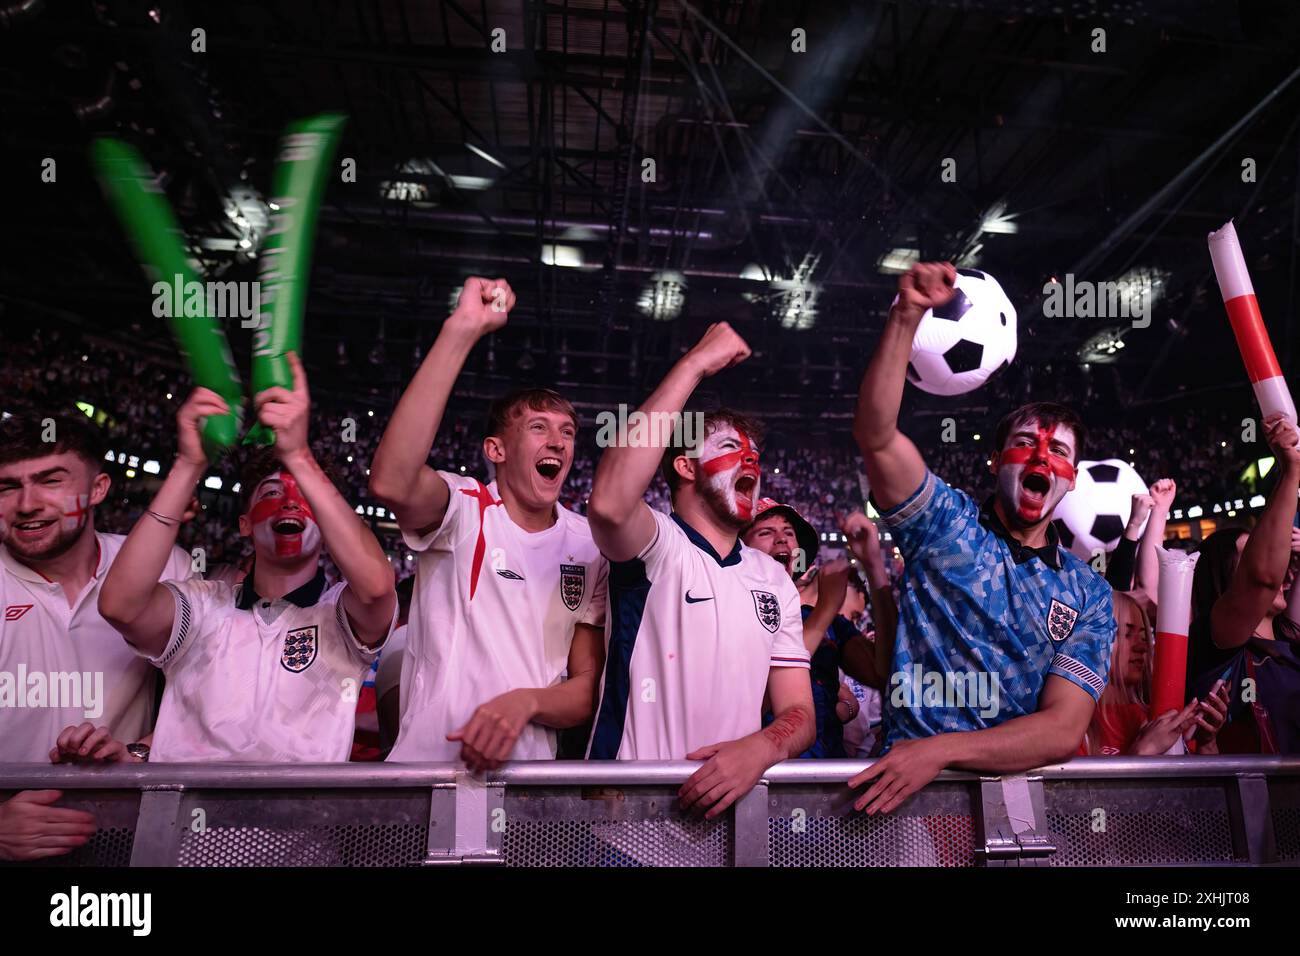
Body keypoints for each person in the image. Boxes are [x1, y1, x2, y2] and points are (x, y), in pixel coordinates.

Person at [849, 260, 1116, 814]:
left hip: (1017, 807)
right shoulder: (945, 522)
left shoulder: (1088, 595)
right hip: (904, 802)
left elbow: (1063, 729)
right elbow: (876, 436)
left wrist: (941, 752)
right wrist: (907, 317)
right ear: (996, 460)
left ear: (1072, 477)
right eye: (1025, 444)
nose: (1043, 456)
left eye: (1060, 452)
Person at [97, 353, 397, 761]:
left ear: (325, 523)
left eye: (305, 499)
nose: (290, 505)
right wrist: (189, 465)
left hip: (299, 824)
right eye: (272, 494)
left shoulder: (340, 618)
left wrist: (299, 456)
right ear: (243, 524)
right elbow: (120, 606)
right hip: (180, 823)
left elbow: (378, 587)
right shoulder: (202, 608)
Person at [370, 277, 608, 770]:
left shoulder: (589, 545)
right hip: (428, 771)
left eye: (567, 433)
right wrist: (461, 331)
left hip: (529, 787)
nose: (558, 442)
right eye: (538, 428)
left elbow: (585, 690)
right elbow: (392, 483)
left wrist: (527, 701)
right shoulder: (465, 508)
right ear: (496, 450)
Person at [584, 322, 814, 819]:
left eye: (755, 455)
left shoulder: (774, 579)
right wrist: (694, 365)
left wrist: (762, 747)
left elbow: (799, 713)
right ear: (685, 467)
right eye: (732, 449)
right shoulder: (658, 546)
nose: (751, 460)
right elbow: (608, 502)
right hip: (627, 830)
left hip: (731, 829)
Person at [0, 412, 192, 860]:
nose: (27, 504)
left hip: (127, 832)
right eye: (7, 487)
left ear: (99, 489)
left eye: (51, 481)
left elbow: (206, 697)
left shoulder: (164, 566)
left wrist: (139, 753)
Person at [1186, 414, 1300, 753]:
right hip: (1263, 803)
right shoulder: (1219, 638)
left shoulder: (1288, 638)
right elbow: (1262, 577)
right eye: (1251, 553)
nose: (1280, 566)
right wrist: (1290, 470)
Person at [1081, 591, 1228, 756]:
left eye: (1144, 637)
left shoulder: (1159, 716)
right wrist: (1141, 753)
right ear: (1094, 640)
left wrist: (1206, 743)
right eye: (1127, 634)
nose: (1142, 647)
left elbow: (1203, 781)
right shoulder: (1076, 719)